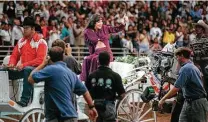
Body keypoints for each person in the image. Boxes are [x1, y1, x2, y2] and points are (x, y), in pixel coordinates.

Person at [28, 46, 98, 122]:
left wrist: (43, 64)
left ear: (49, 58)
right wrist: (92, 107)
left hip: (55, 117)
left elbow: (30, 79)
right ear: (63, 57)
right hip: (71, 116)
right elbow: (85, 91)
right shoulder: (71, 73)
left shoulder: (50, 69)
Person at [3, 16, 48, 107]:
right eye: (24, 28)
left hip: (38, 71)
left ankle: (24, 100)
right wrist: (12, 63)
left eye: (26, 28)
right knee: (3, 71)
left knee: (28, 69)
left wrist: (23, 65)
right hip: (25, 70)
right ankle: (2, 98)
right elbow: (14, 55)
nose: (24, 30)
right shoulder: (21, 41)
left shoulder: (41, 42)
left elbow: (40, 60)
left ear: (33, 29)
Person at [158, 47, 208, 122]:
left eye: (177, 57)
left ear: (181, 56)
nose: (177, 59)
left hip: (196, 103)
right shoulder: (193, 66)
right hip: (190, 101)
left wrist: (162, 99)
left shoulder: (186, 68)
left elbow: (176, 88)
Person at [80, 14, 128, 81]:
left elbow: (115, 29)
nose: (101, 23)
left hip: (106, 53)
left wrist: (123, 23)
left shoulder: (105, 28)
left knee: (95, 59)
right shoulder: (88, 31)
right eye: (98, 22)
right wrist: (99, 41)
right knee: (86, 59)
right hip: (96, 52)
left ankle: (93, 79)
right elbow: (95, 41)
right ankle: (85, 80)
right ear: (93, 22)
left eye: (101, 21)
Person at [85, 51, 125, 122]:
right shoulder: (115, 76)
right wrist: (115, 97)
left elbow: (86, 92)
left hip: (95, 106)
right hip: (109, 107)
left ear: (98, 61)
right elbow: (122, 94)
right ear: (109, 61)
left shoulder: (91, 75)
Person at [190, 20, 208, 100]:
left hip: (204, 63)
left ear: (202, 29)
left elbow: (205, 51)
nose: (197, 28)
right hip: (195, 63)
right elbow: (190, 51)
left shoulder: (206, 40)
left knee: (206, 80)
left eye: (199, 27)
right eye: (196, 27)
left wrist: (194, 53)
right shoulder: (193, 40)